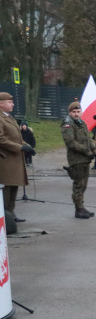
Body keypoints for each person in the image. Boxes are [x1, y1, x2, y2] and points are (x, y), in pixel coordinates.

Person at [1, 92, 33, 232]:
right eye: (9, 102)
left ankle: (10, 214)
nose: (13, 104)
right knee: (7, 190)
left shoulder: (10, 118)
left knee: (14, 188)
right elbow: (1, 139)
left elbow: (17, 138)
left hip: (14, 160)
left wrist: (27, 146)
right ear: (1, 103)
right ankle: (5, 217)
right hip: (5, 160)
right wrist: (20, 147)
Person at [61, 101, 96, 219]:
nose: (76, 114)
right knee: (79, 184)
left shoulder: (82, 123)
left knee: (84, 184)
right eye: (74, 112)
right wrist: (86, 151)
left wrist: (94, 150)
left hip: (85, 158)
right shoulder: (68, 125)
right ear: (70, 112)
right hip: (76, 158)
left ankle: (81, 206)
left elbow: (88, 138)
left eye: (78, 111)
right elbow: (71, 142)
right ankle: (78, 209)